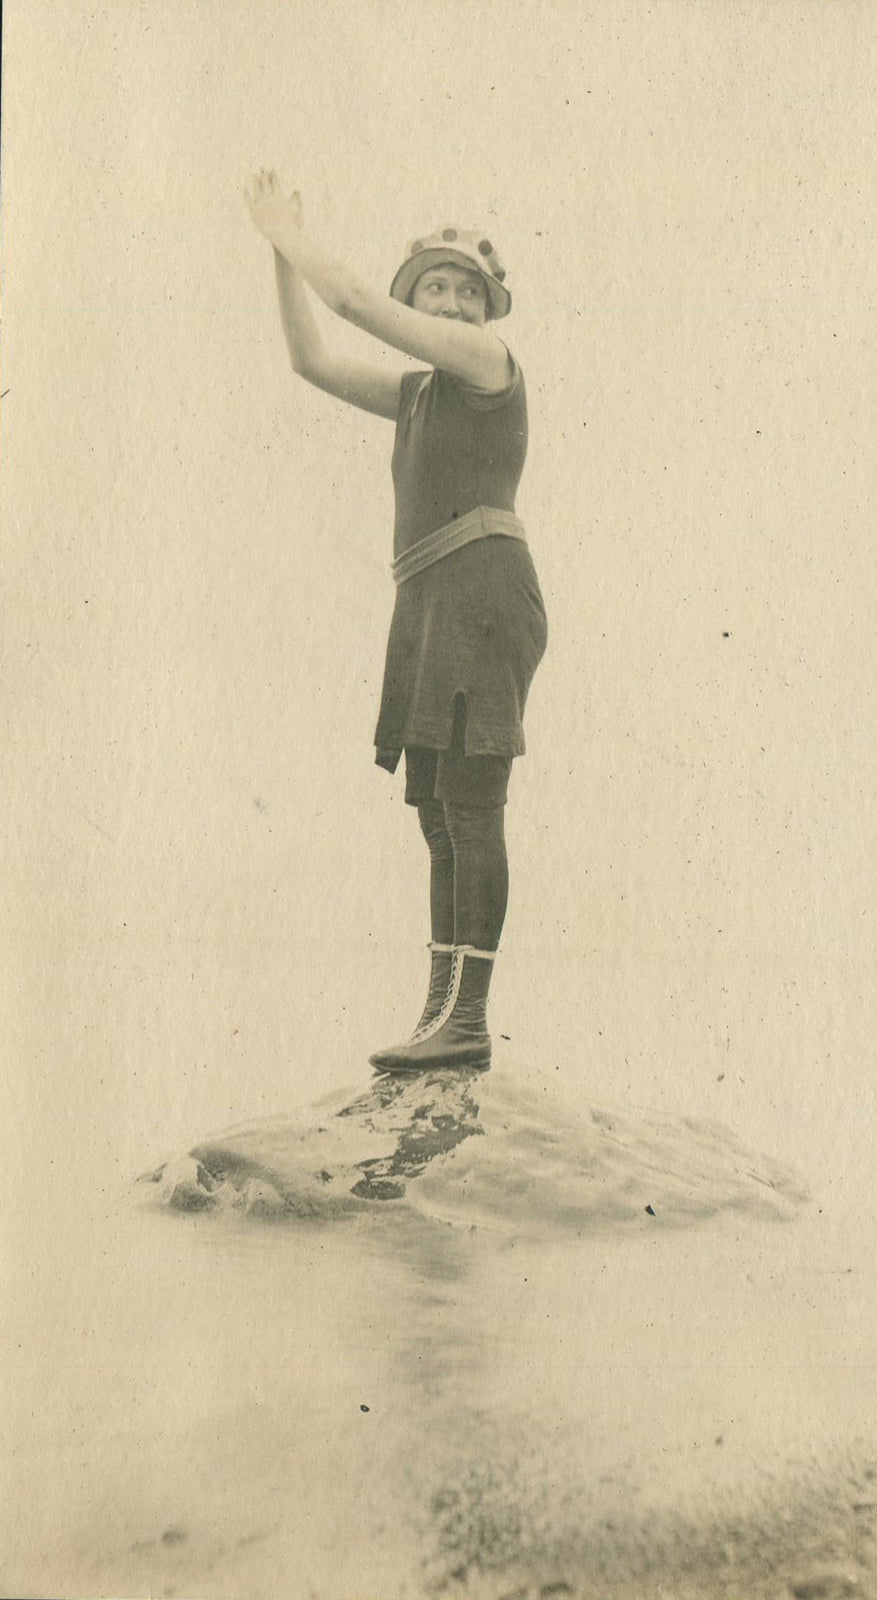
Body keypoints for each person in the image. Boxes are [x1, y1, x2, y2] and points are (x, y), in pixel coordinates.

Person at [245, 171, 547, 1074]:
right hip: (427, 595)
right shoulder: (419, 393)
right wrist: (278, 255)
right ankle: (440, 1014)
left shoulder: (488, 367)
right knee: (439, 816)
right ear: (416, 295)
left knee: (473, 802)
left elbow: (348, 299)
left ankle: (468, 1020)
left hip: (485, 586)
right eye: (435, 287)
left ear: (487, 312)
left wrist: (284, 226)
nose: (450, 301)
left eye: (466, 291)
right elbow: (311, 359)